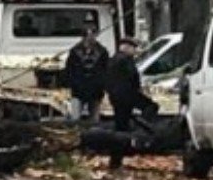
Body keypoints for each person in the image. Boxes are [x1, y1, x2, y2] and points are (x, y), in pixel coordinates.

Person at [106, 37, 157, 169]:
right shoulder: (125, 60)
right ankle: (144, 131)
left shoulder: (113, 60)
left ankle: (116, 160)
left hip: (117, 98)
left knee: (120, 126)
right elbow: (133, 79)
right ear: (127, 47)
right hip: (127, 96)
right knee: (151, 106)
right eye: (133, 48)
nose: (135, 51)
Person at [63, 28, 109, 122]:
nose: (91, 39)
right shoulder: (75, 52)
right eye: (88, 36)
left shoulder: (102, 52)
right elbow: (69, 70)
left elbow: (105, 70)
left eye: (93, 36)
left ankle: (93, 135)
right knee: (75, 117)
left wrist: (102, 84)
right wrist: (72, 84)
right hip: (78, 90)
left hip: (95, 91)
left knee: (94, 119)